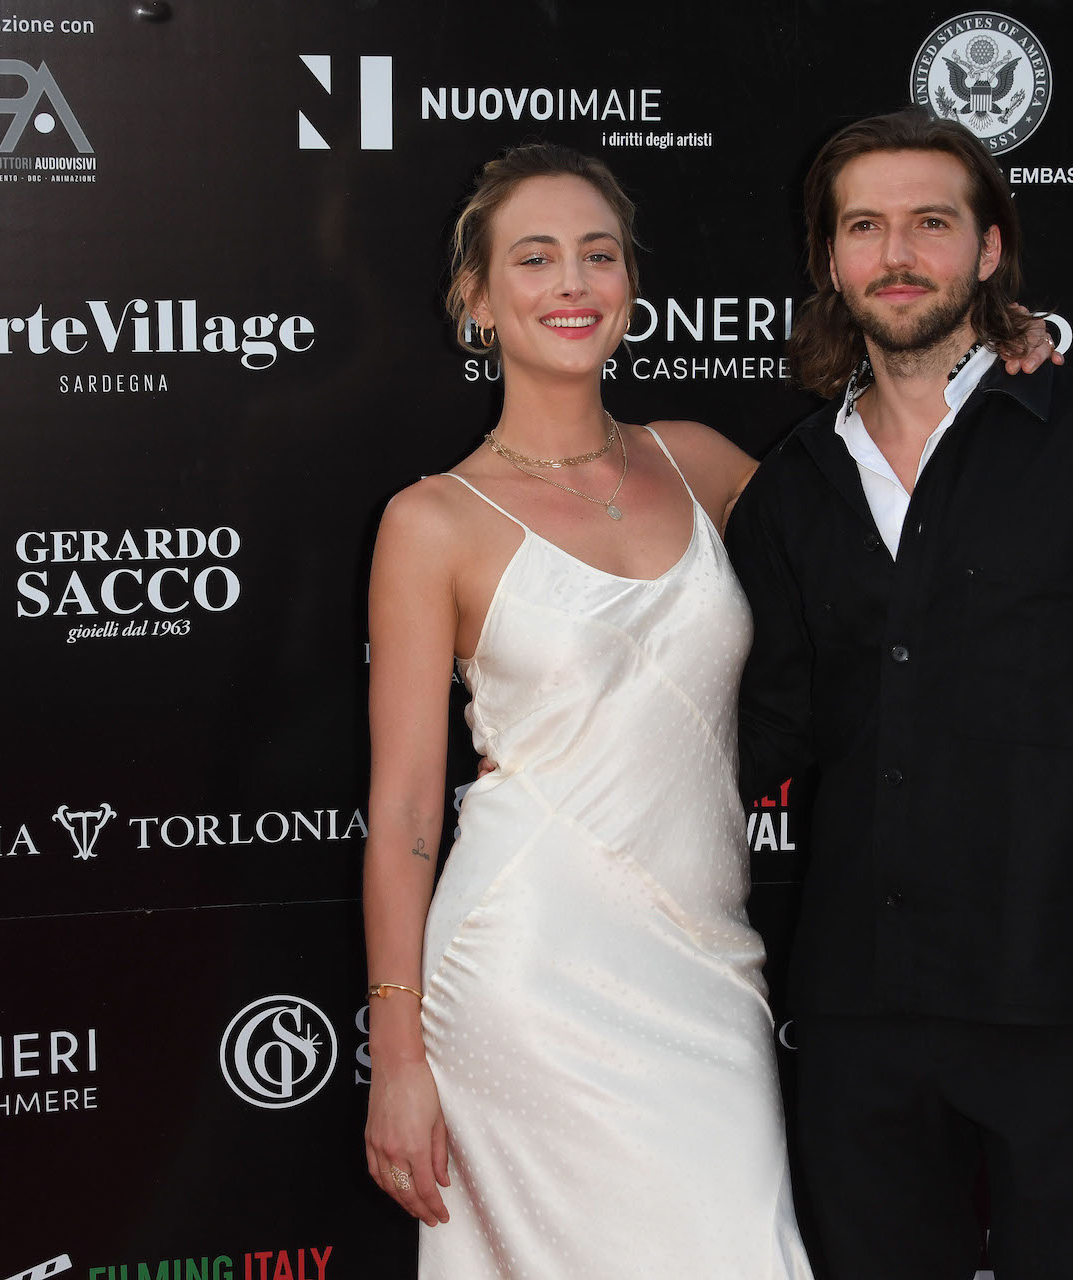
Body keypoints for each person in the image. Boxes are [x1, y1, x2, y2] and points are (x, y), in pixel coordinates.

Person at [725, 109, 1073, 1280]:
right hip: (859, 1011)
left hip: (1066, 998)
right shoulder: (796, 484)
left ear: (989, 247)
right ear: (828, 261)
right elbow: (760, 729)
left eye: (931, 222)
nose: (897, 253)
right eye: (865, 227)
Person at [358, 143, 811, 1279]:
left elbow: (884, 528)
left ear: (631, 285)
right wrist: (398, 1054)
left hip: (708, 963)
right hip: (527, 965)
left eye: (598, 255)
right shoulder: (432, 520)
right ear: (476, 298)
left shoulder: (701, 464)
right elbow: (406, 809)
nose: (572, 282)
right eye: (535, 257)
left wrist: (968, 365)